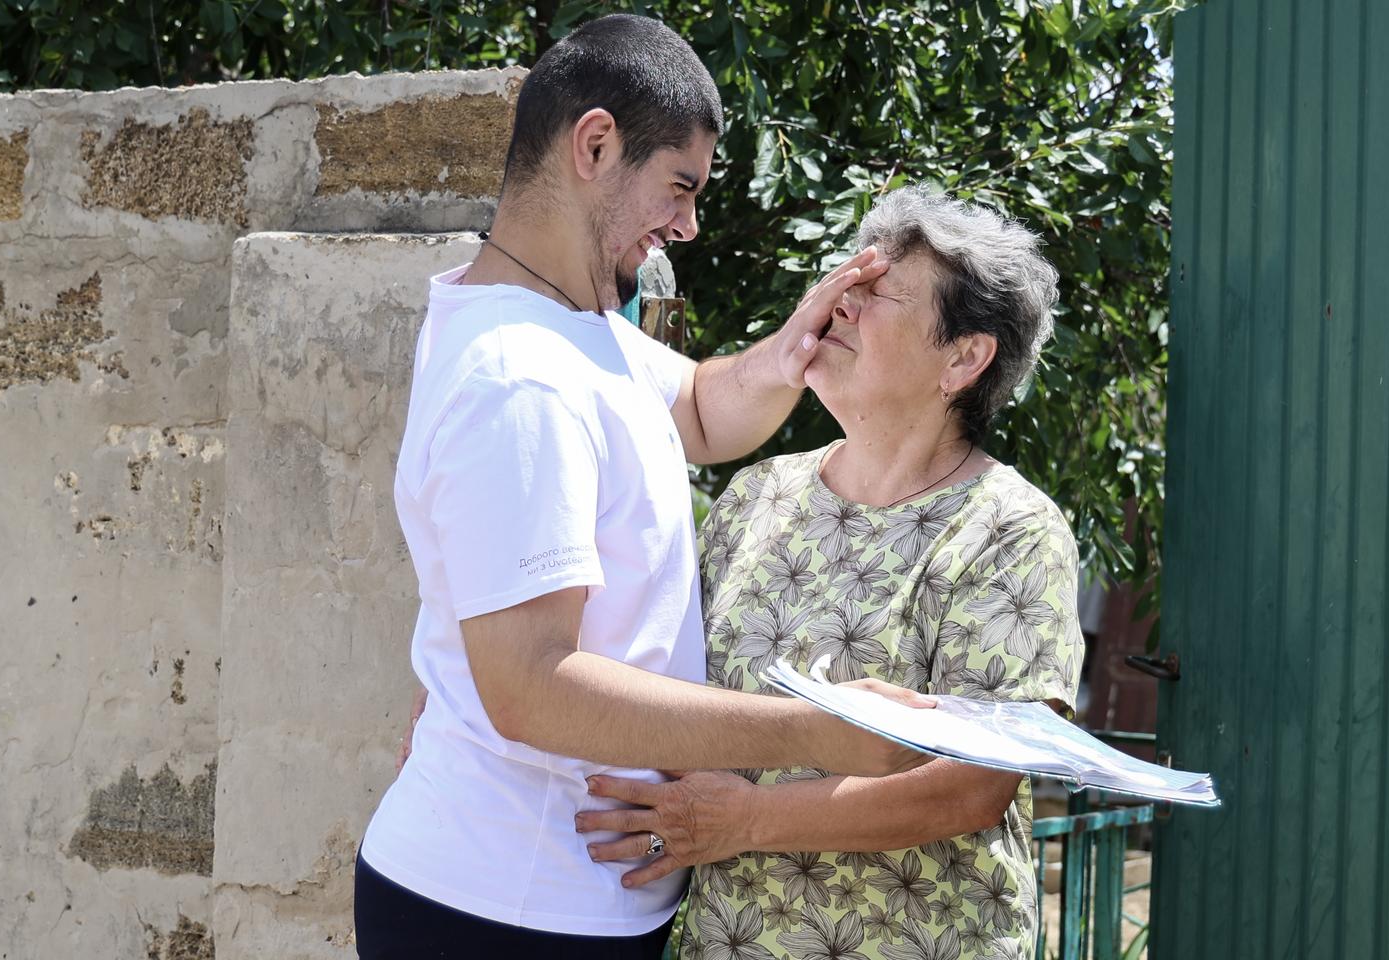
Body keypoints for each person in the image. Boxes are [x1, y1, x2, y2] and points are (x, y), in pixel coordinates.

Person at [355, 16, 932, 960]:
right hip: (502, 908)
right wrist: (820, 732)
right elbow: (530, 689)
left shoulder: (576, 329)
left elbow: (702, 410)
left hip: (560, 898)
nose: (689, 224)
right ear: (595, 145)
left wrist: (792, 349)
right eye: (681, 186)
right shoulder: (521, 377)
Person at [581, 188, 1085, 960]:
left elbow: (974, 785)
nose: (838, 306)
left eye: (877, 293)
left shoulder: (1012, 530)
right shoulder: (758, 495)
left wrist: (747, 820)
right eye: (845, 284)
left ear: (964, 357)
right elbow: (662, 681)